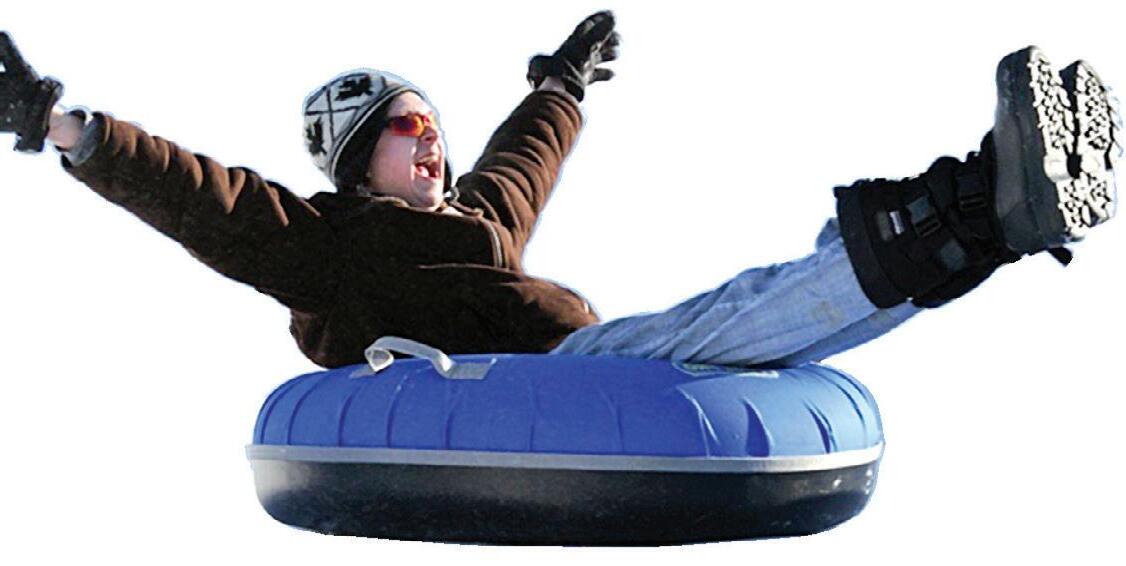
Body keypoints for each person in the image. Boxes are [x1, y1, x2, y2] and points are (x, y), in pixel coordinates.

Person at [0, 12, 1118, 371]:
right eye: (406, 132)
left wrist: (561, 84)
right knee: (724, 315)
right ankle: (970, 209)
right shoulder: (329, 243)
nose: (432, 146)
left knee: (783, 303)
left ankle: (989, 217)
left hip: (582, 364)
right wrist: (66, 128)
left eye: (433, 127)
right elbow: (204, 196)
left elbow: (521, 158)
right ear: (358, 164)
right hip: (531, 381)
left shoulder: (474, 222)